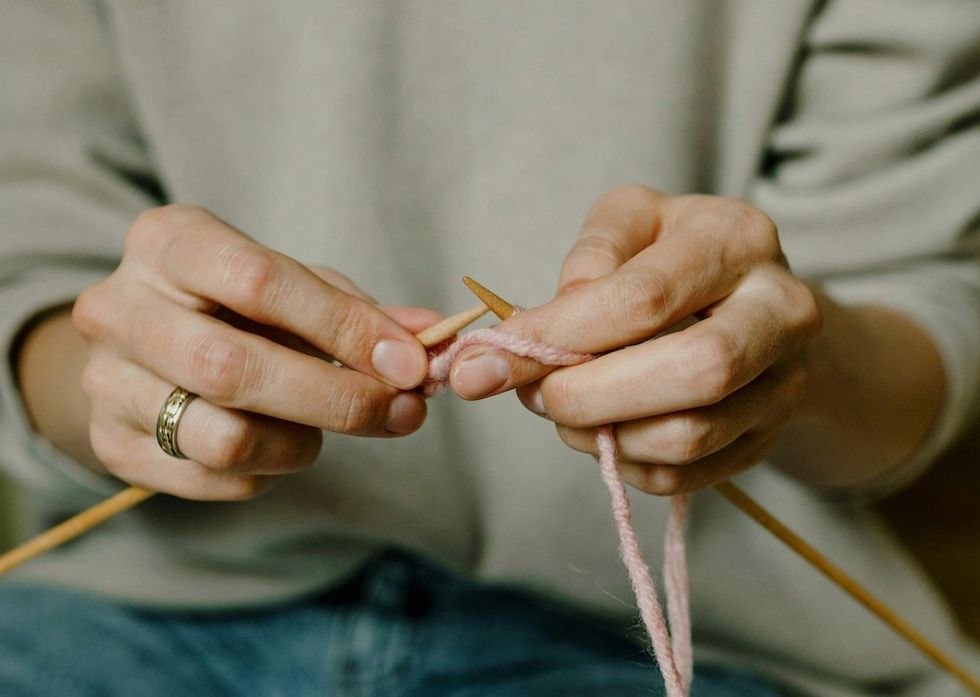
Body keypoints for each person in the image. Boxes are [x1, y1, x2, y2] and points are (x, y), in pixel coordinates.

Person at [2, 2, 979, 695]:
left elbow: (921, 303)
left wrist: (781, 369)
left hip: (694, 645)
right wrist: (137, 391)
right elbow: (33, 271)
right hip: (133, 614)